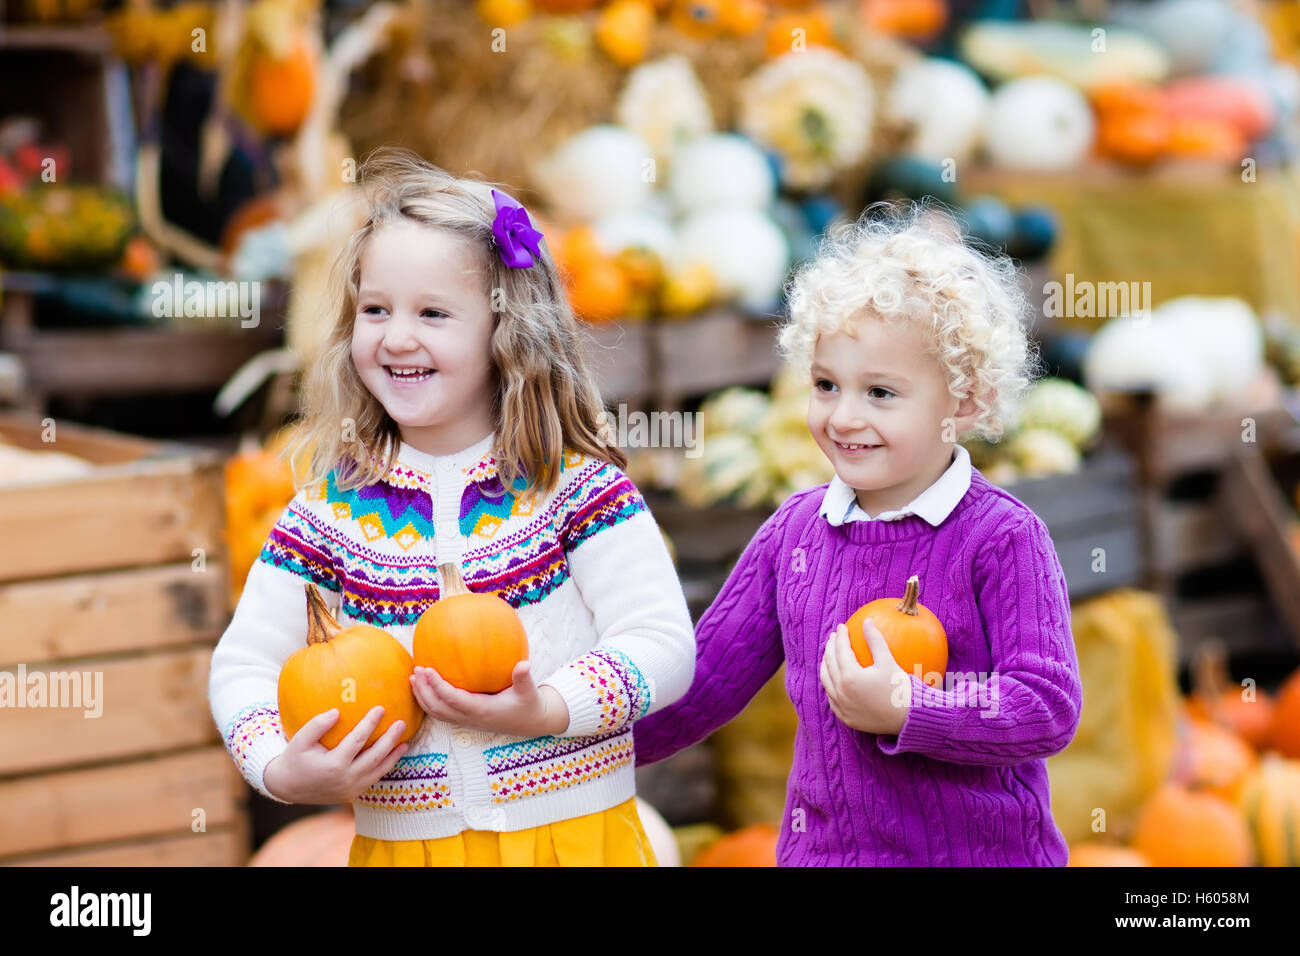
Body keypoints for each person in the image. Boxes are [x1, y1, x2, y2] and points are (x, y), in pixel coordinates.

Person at [209, 147, 694, 867]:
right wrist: (279, 766)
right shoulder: (327, 515)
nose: (397, 336)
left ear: (507, 333)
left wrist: (550, 707)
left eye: (433, 313)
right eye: (376, 310)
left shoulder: (573, 491)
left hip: (572, 843)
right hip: (412, 851)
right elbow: (242, 663)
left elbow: (662, 642)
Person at [634, 202, 1083, 866]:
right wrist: (568, 733)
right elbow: (704, 686)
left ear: (963, 401)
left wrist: (910, 706)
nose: (843, 416)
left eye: (880, 393)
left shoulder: (1002, 537)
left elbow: (1045, 705)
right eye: (825, 385)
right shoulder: (794, 535)